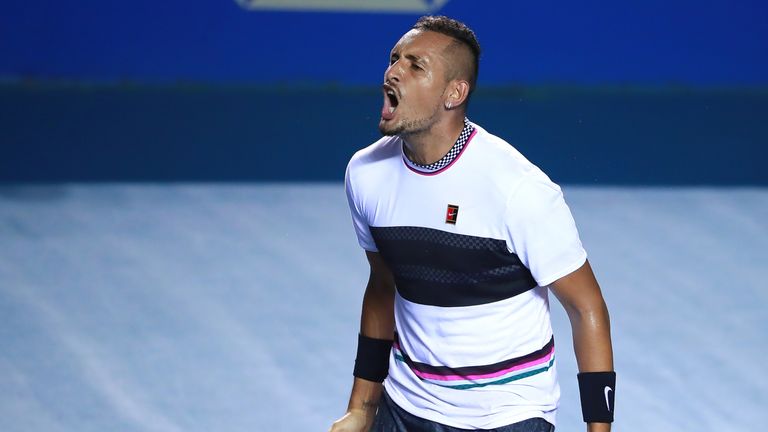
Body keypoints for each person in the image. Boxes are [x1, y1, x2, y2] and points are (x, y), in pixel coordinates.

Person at [330, 15, 614, 432]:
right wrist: (362, 407)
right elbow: (382, 286)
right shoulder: (365, 173)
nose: (393, 72)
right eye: (394, 59)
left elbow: (586, 306)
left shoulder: (518, 190)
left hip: (507, 415)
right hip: (404, 406)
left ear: (454, 93)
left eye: (415, 65)